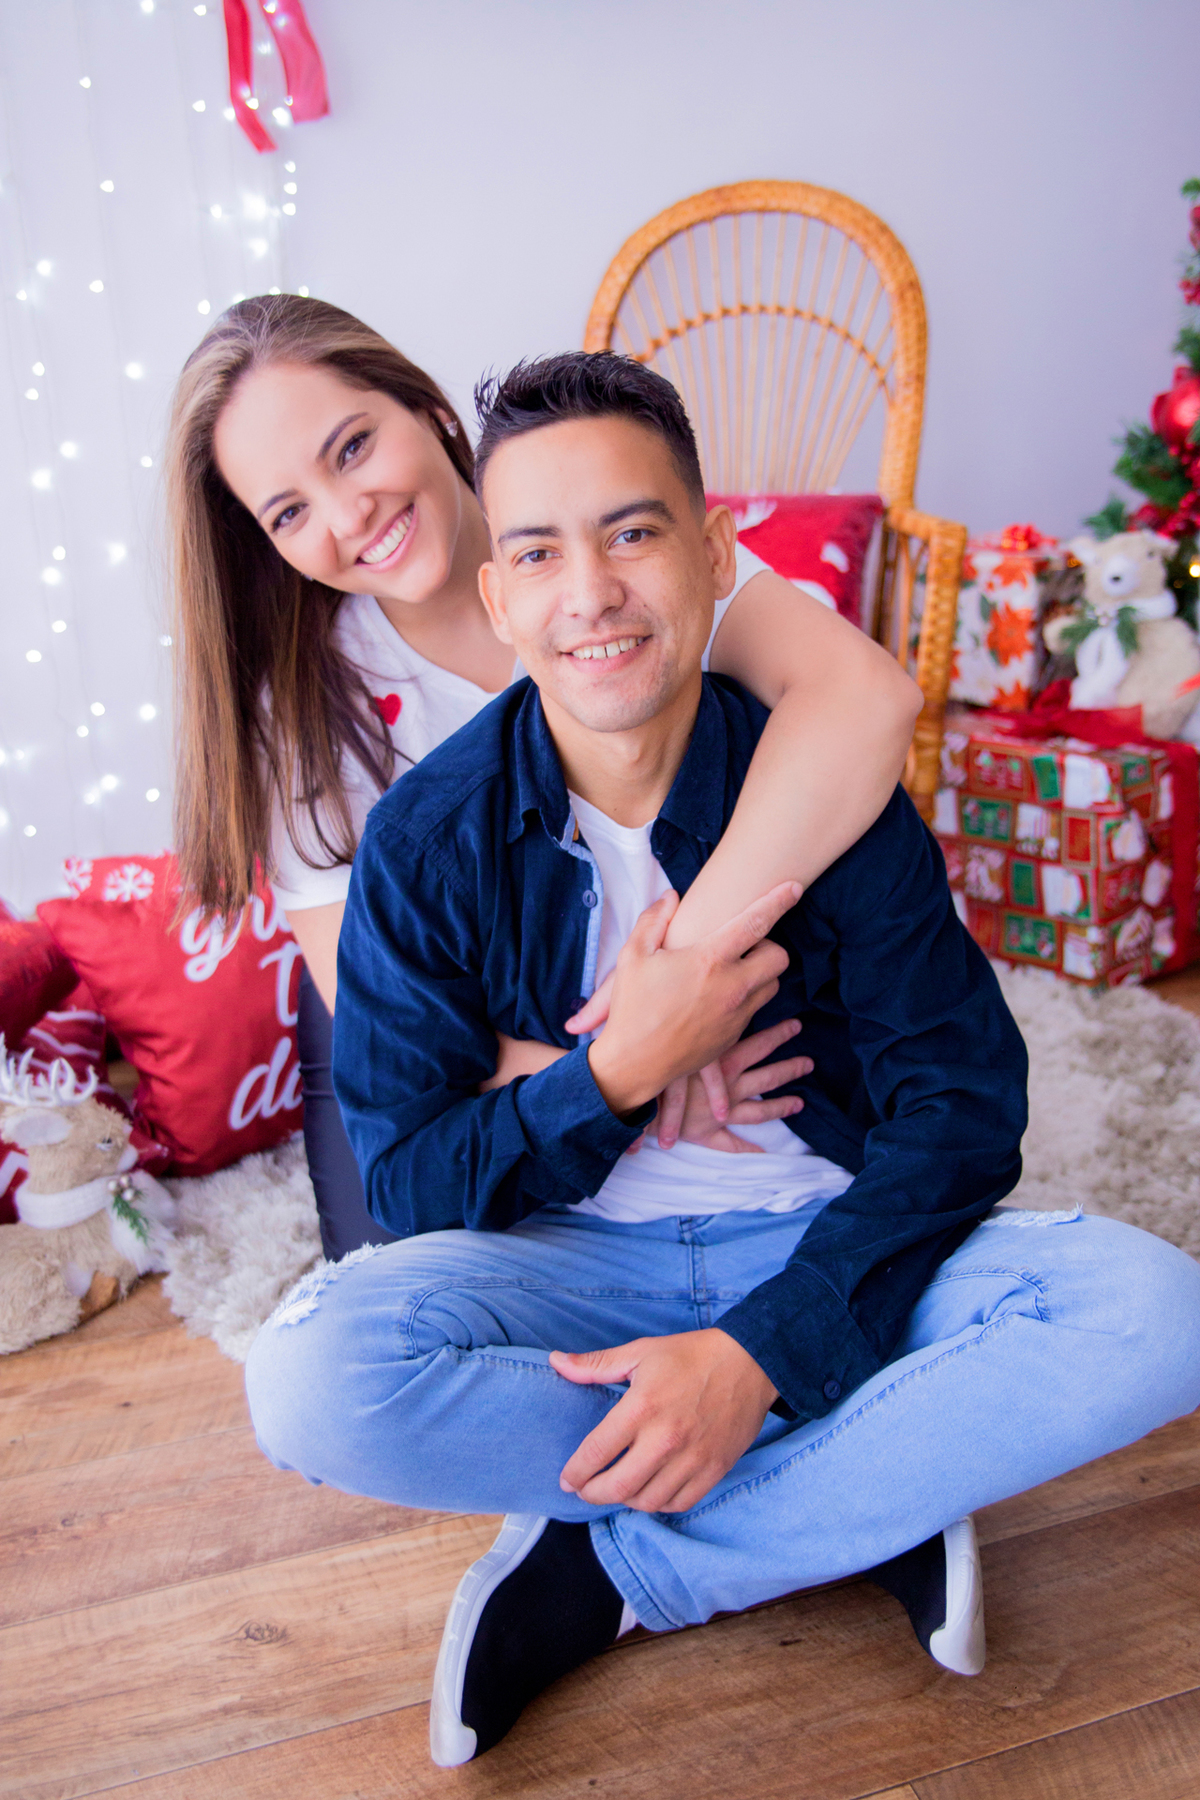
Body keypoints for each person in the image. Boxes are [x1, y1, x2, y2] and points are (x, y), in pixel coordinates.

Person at [244, 353, 1200, 1768]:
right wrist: (611, 1078)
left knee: (1156, 1314)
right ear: (498, 598)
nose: (592, 593)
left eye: (632, 534)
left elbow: (960, 1109)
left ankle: (624, 1563)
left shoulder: (818, 784)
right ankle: (869, 1483)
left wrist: (762, 1350)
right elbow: (412, 1181)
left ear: (713, 554)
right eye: (539, 553)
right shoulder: (426, 842)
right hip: (575, 1269)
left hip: (822, 1230)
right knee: (312, 1378)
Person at [167, 296, 922, 1260]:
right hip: (438, 1030)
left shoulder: (611, 539)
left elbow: (865, 701)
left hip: (667, 970)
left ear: (426, 409)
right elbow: (390, 1032)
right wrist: (636, 1064)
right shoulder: (306, 718)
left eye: (352, 448)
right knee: (393, 1284)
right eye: (289, 512)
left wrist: (685, 979)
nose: (349, 515)